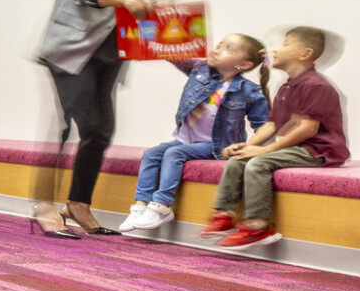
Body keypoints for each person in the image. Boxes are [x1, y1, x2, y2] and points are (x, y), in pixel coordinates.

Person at [31, 0, 178, 237]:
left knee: (100, 131)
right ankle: (43, 205)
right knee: (69, 126)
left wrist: (154, 8)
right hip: (73, 52)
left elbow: (133, 13)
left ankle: (77, 205)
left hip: (109, 58)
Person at [201, 26, 348, 250]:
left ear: (304, 53)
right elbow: (271, 125)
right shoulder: (287, 85)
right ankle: (223, 214)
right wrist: (247, 145)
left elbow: (307, 129)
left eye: (285, 43)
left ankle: (258, 226)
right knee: (238, 159)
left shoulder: (315, 85)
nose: (273, 49)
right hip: (297, 146)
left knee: (258, 164)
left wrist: (263, 151)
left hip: (318, 150)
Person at [116, 34, 272, 236]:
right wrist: (158, 30)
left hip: (216, 146)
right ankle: (140, 206)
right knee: (152, 154)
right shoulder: (199, 69)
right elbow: (174, 54)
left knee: (174, 154)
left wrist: (260, 151)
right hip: (185, 139)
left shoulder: (249, 91)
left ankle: (161, 207)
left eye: (228, 49)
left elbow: (264, 125)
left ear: (243, 64)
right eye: (219, 45)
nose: (216, 50)